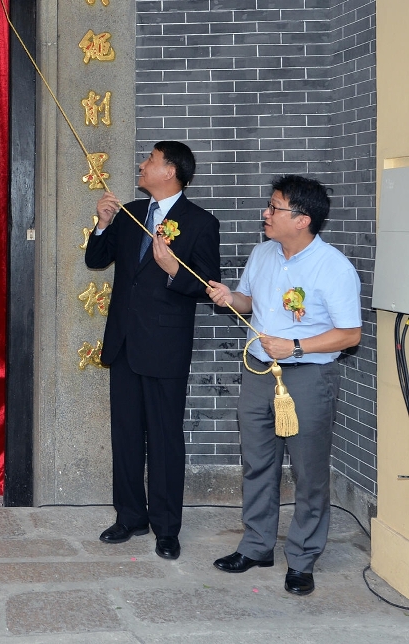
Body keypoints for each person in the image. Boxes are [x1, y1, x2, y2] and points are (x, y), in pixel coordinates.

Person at [206, 176, 360, 596]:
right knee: (258, 463)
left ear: (303, 219)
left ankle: (303, 557)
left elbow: (349, 334)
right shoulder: (263, 253)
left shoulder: (334, 267)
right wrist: (229, 298)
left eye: (275, 208)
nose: (266, 215)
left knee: (309, 472)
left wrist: (295, 345)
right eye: (269, 206)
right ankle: (256, 545)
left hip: (308, 377)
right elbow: (250, 302)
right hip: (259, 372)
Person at [84, 141, 221, 560]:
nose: (142, 165)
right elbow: (95, 259)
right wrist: (104, 223)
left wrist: (174, 270)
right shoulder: (128, 214)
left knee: (163, 438)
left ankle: (166, 527)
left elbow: (208, 285)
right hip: (124, 342)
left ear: (171, 172)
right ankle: (129, 517)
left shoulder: (200, 222)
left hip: (165, 346)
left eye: (151, 161)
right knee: (125, 434)